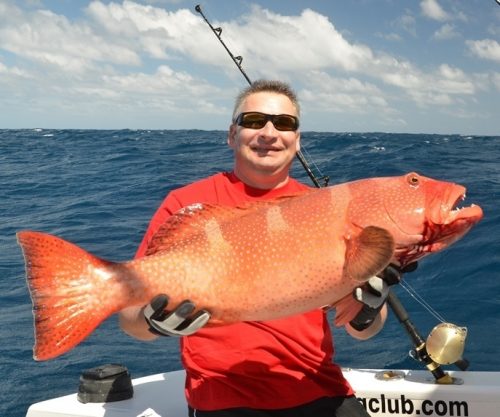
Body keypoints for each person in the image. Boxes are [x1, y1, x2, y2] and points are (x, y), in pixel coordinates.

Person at [119, 80, 399, 416]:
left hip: (319, 388)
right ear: (231, 134)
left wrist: (370, 306)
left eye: (284, 123)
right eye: (253, 121)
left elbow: (363, 331)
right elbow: (129, 318)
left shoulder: (329, 209)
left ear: (297, 141)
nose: (269, 132)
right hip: (223, 395)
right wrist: (152, 322)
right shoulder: (185, 203)